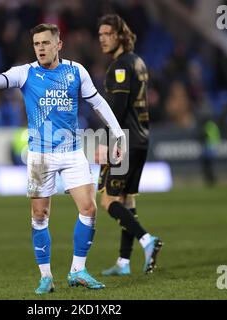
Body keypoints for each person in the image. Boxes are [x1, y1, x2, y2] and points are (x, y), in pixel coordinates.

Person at [0, 23, 126, 294]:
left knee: (89, 209)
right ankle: (46, 276)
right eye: (36, 44)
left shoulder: (76, 71)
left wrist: (118, 134)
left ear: (58, 45)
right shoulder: (26, 73)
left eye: (45, 43)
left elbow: (98, 102)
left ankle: (78, 270)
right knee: (39, 215)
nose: (40, 48)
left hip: (72, 151)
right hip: (40, 155)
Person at [96, 14, 162, 276]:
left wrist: (104, 143)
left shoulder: (120, 67)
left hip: (125, 142)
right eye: (100, 35)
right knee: (128, 199)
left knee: (108, 201)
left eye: (107, 34)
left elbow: (117, 111)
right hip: (141, 139)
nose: (102, 39)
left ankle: (148, 240)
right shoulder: (138, 62)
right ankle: (124, 262)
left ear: (120, 35)